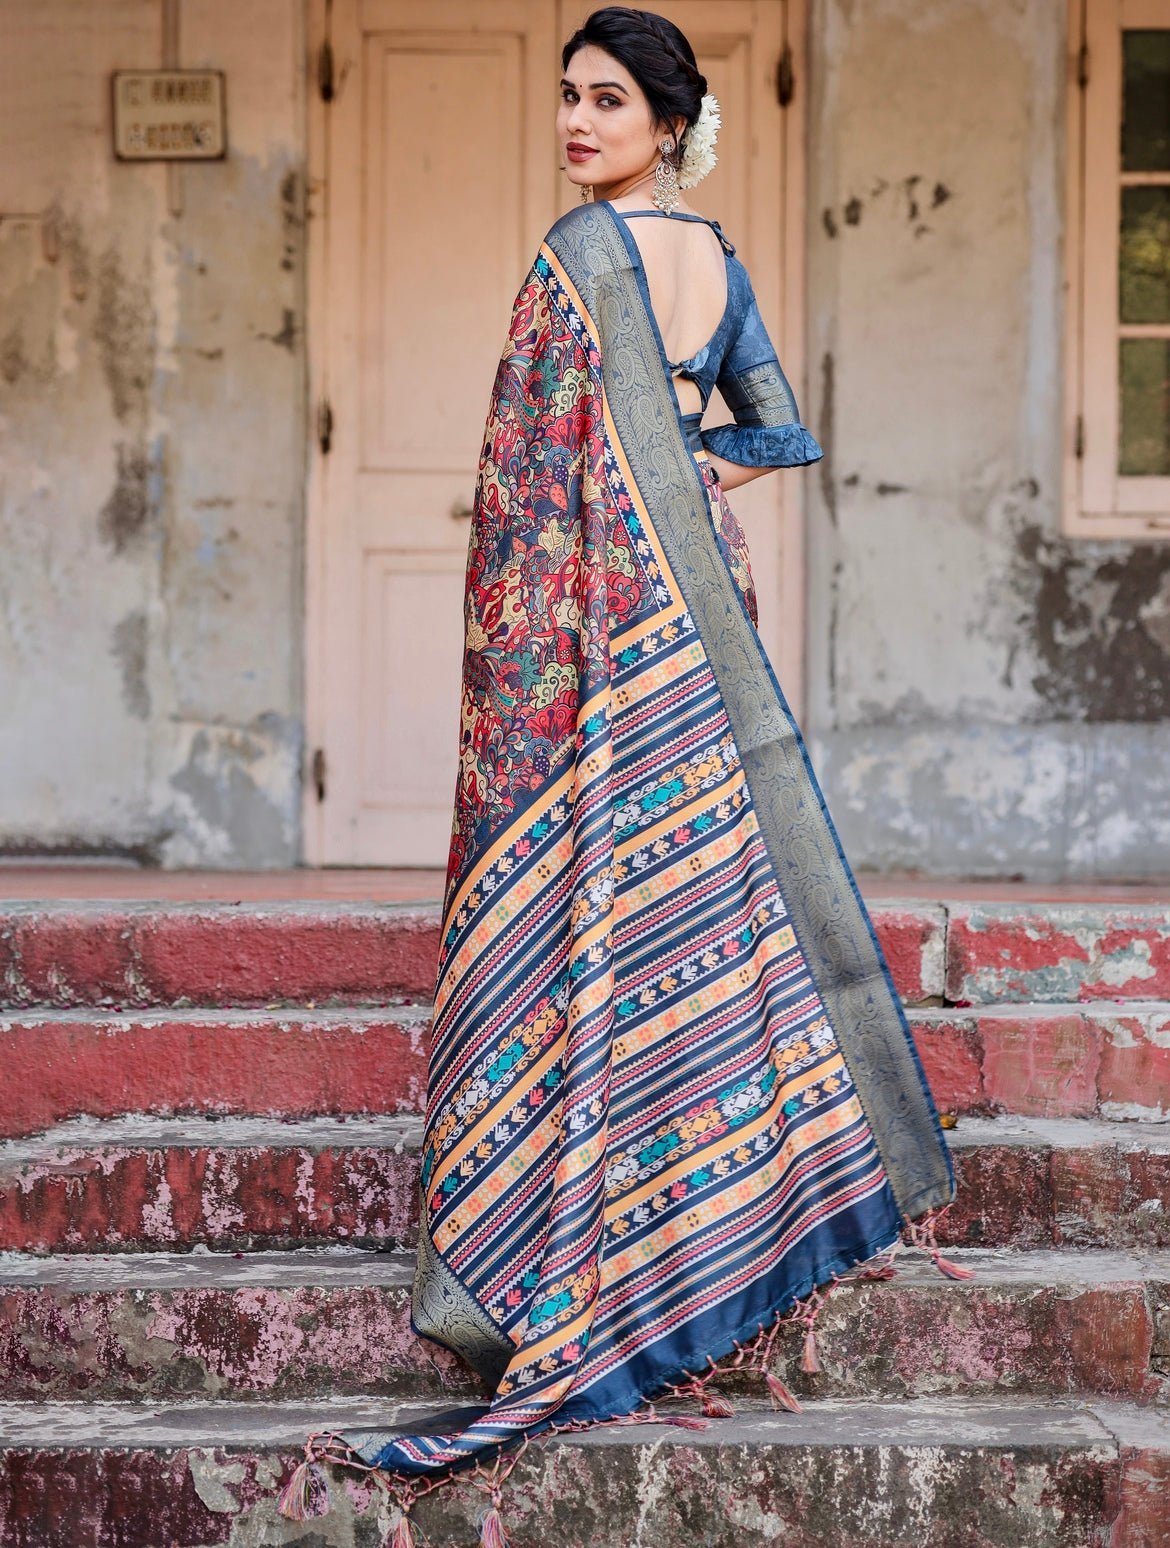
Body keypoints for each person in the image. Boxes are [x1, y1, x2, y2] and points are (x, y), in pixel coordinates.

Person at [278, 9, 960, 1544]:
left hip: (605, 638)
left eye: (607, 101)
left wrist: (622, 496)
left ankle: (597, 1246)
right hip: (698, 616)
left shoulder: (579, 259)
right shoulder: (714, 260)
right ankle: (708, 1222)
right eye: (568, 98)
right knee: (686, 926)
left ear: (667, 116)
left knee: (609, 920)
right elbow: (781, 427)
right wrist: (689, 468)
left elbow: (528, 490)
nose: (577, 122)